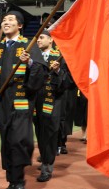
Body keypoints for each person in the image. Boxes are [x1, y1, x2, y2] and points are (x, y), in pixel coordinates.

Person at [0, 10, 46, 189]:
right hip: (2, 105)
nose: (6, 22)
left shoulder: (29, 46)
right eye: (3, 20)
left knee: (18, 141)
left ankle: (18, 181)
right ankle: (12, 179)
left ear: (20, 25)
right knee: (7, 143)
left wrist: (29, 63)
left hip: (21, 104)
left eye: (10, 20)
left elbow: (40, 74)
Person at [35, 30, 66, 182]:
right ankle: (45, 159)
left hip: (53, 102)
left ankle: (48, 167)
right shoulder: (34, 57)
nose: (38, 40)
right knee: (40, 133)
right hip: (36, 103)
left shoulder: (59, 58)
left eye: (41, 37)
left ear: (51, 40)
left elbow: (68, 83)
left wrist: (58, 71)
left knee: (50, 134)